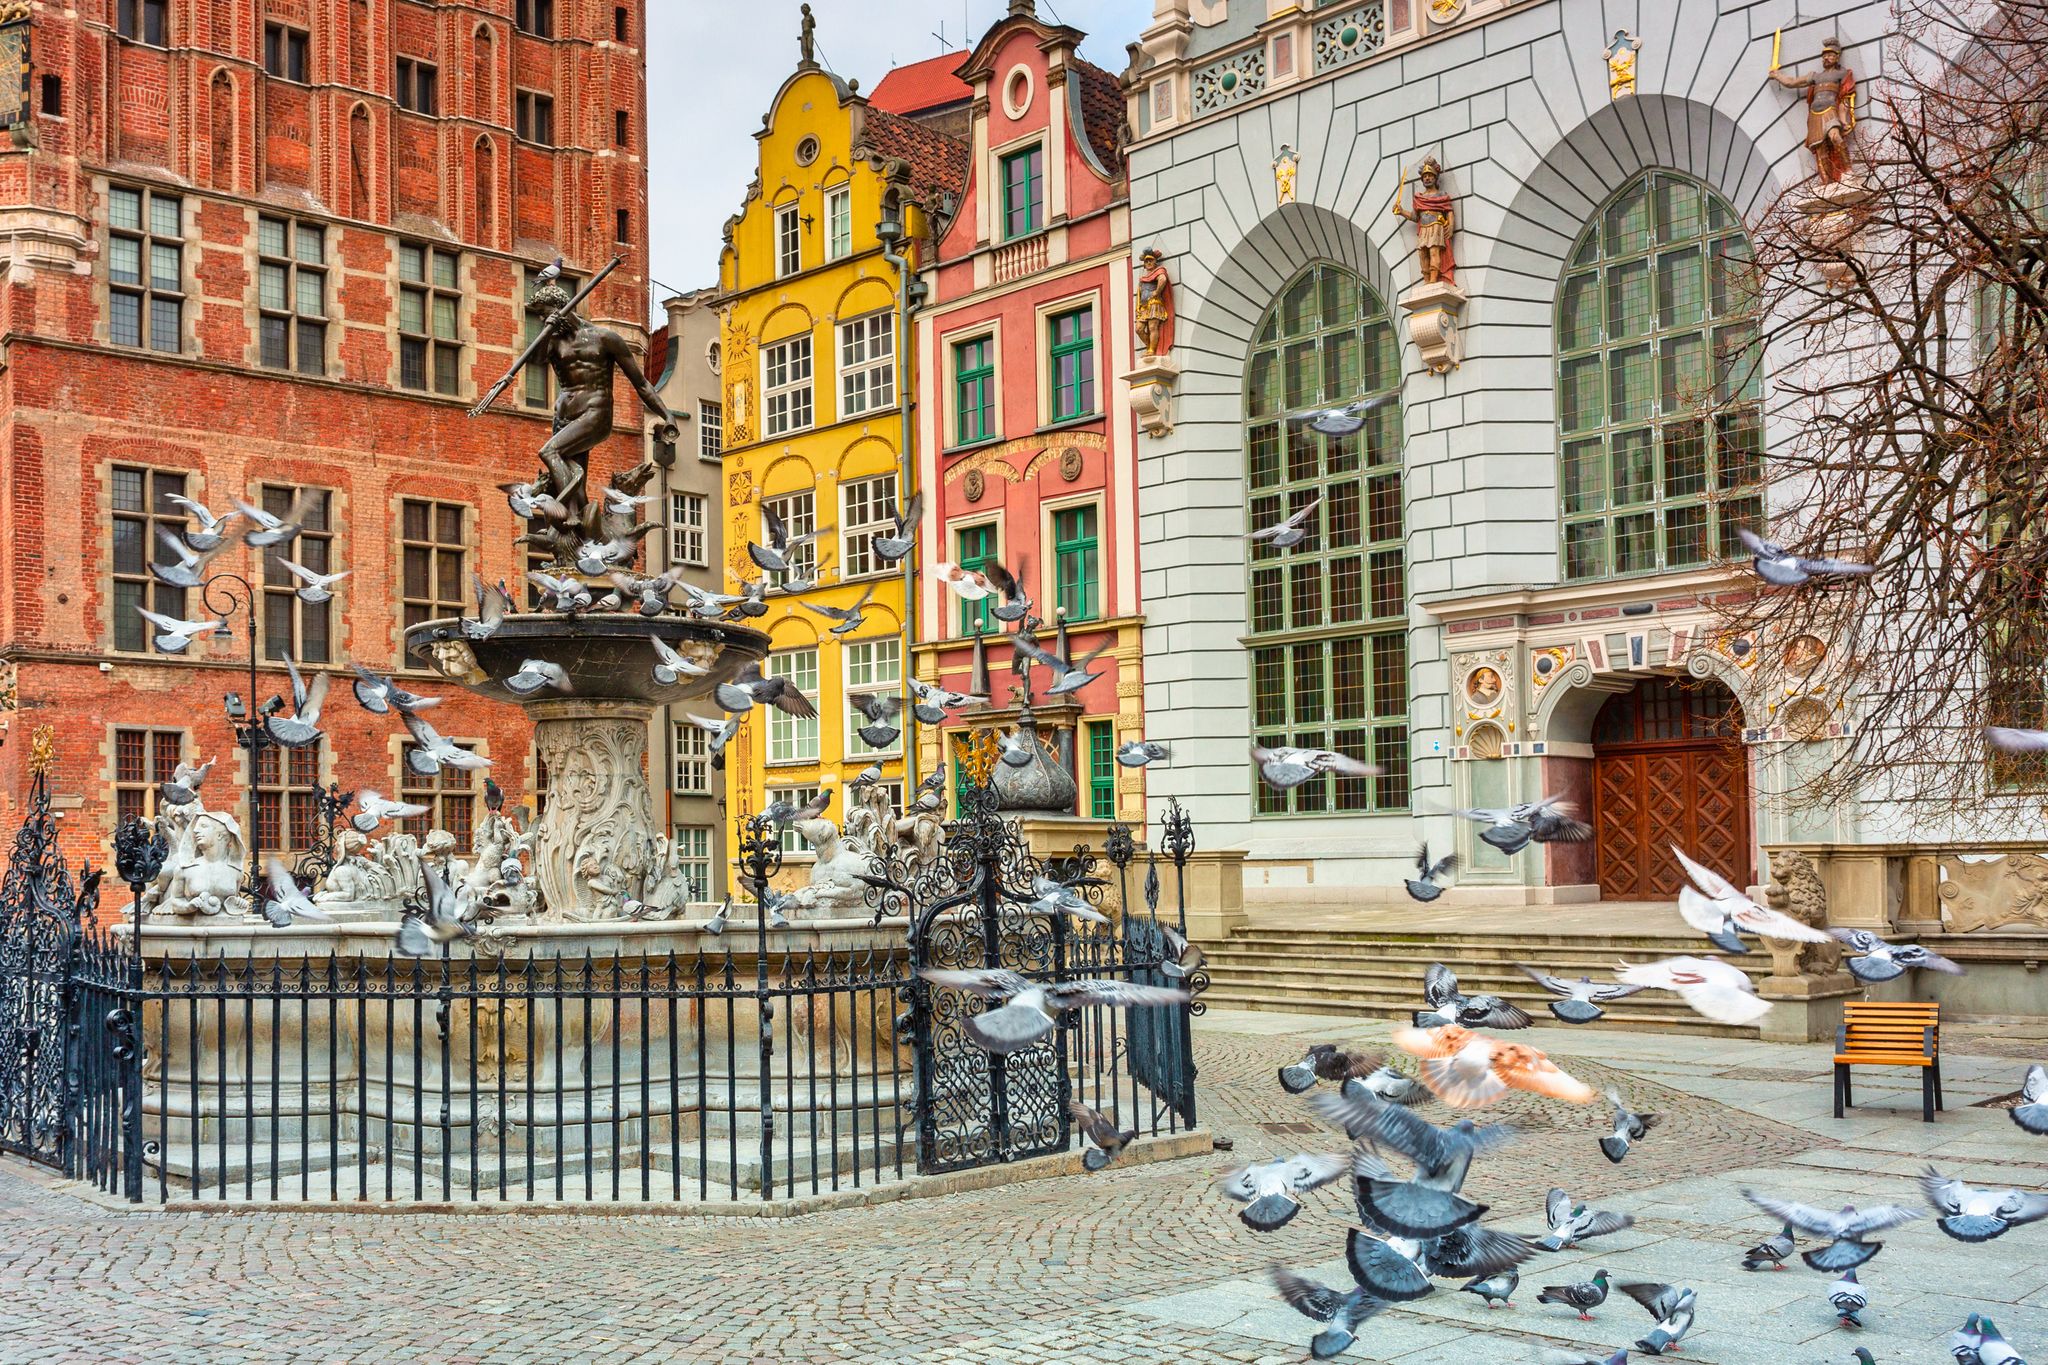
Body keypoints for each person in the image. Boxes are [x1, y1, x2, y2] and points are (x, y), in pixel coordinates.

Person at [522, 283, 679, 504]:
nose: (541, 320)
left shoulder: (604, 338)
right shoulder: (553, 341)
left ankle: (570, 515)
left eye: (543, 313)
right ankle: (581, 524)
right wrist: (546, 333)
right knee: (575, 476)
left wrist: (667, 415)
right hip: (564, 416)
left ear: (561, 308)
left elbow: (641, 383)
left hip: (595, 412)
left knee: (549, 452)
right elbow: (535, 360)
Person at [1769, 37, 1856, 185]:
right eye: (1824, 56)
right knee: (1820, 149)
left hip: (1830, 111)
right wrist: (1777, 75)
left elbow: (1845, 98)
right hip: (1815, 115)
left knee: (1835, 137)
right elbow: (1792, 82)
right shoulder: (1815, 76)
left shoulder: (1842, 74)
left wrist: (1843, 119)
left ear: (1837, 56)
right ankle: (1826, 182)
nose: (1826, 58)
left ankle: (1848, 171)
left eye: (1830, 55)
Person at [1391, 157, 1456, 287]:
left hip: (1436, 226)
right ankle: (1426, 279)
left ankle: (1433, 278)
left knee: (1433, 252)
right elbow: (1415, 217)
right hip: (1424, 228)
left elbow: (1449, 211)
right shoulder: (1419, 198)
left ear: (1435, 178)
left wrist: (1451, 226)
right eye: (1425, 176)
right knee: (1422, 254)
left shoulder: (1441, 195)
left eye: (1430, 175)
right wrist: (1401, 211)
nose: (1427, 178)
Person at [1134, 249, 1175, 357]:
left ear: (1155, 261)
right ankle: (1149, 346)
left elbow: (1162, 279)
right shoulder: (1143, 278)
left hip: (1154, 303)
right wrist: (1137, 308)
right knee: (1139, 329)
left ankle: (1152, 350)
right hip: (1144, 307)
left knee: (1152, 327)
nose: (1148, 263)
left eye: (1150, 260)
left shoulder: (1158, 271)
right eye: (1146, 261)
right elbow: (1139, 294)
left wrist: (1156, 292)